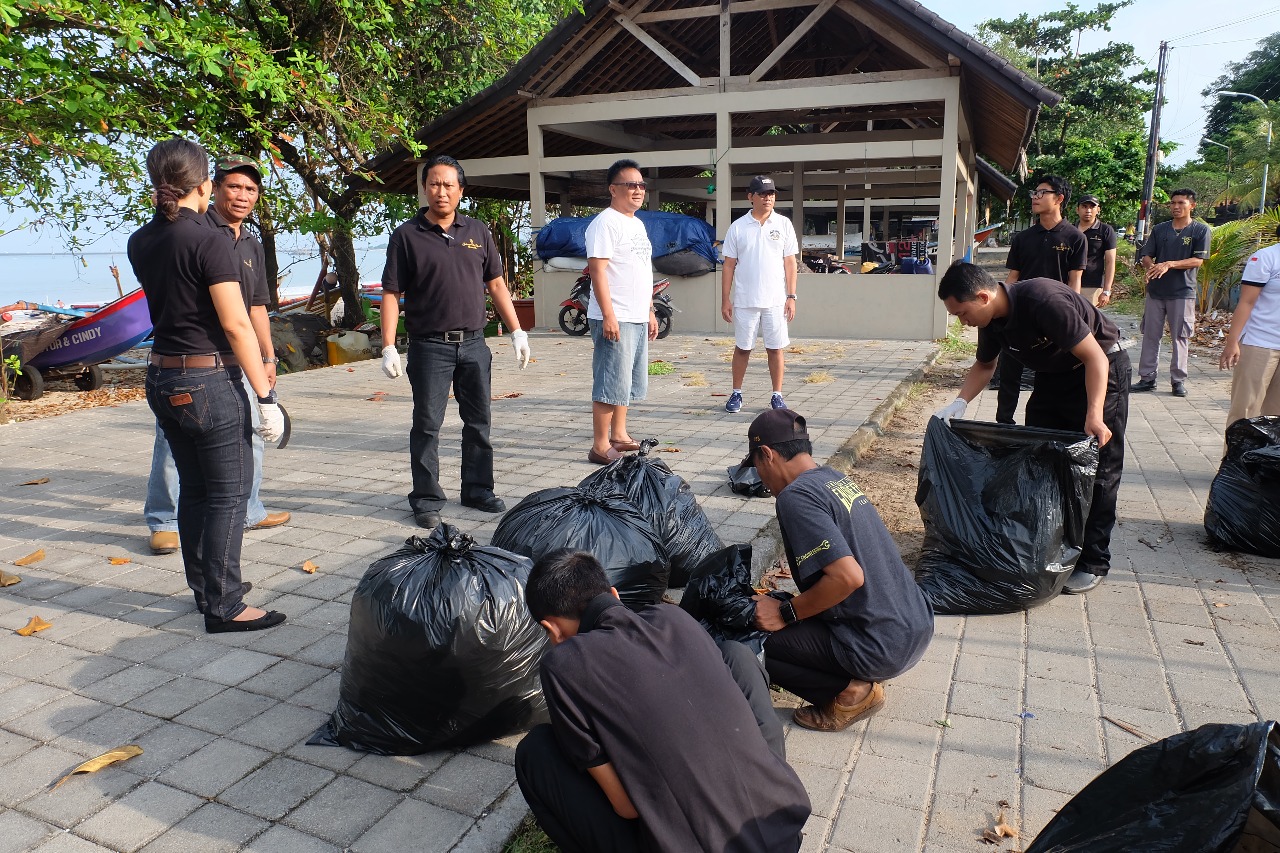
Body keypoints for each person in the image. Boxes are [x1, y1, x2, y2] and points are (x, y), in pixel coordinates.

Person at [514, 549, 811, 853]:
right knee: (736, 653)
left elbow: (627, 808)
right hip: (780, 831)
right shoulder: (673, 617)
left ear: (551, 629)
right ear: (613, 594)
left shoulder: (563, 666)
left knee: (535, 751)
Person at [128, 138, 285, 633]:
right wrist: (265, 396)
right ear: (205, 184)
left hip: (161, 375)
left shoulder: (143, 239)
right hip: (206, 379)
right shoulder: (208, 239)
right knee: (228, 494)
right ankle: (225, 604)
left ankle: (206, 588)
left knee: (196, 489)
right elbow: (236, 324)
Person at [934, 261, 1130, 595]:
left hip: (1101, 369)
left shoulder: (1041, 300)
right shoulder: (993, 318)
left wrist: (1094, 414)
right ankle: (1050, 546)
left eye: (962, 313)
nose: (962, 322)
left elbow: (1094, 357)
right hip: (1054, 377)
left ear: (982, 297)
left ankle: (1093, 561)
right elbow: (984, 364)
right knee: (1040, 459)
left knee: (1098, 467)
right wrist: (959, 402)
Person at [745, 409, 934, 732]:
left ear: (767, 454)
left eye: (757, 467)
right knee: (781, 608)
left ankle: (850, 693)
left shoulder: (795, 497)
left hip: (880, 646)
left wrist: (787, 613)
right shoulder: (832, 477)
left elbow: (848, 577)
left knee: (749, 638)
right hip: (913, 627)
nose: (760, 477)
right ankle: (857, 669)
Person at [379, 154, 531, 531]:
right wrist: (387, 345)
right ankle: (427, 498)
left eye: (449, 185)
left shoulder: (478, 232)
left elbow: (496, 284)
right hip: (429, 345)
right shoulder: (407, 235)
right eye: (434, 183)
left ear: (461, 191)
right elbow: (391, 292)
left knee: (479, 422)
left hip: (475, 344)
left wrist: (517, 331)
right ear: (425, 188)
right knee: (427, 425)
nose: (441, 191)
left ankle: (478, 490)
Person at [996, 175, 1087, 423]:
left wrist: (1074, 315)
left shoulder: (1075, 238)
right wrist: (998, 306)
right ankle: (1004, 424)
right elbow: (1013, 277)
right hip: (1022, 312)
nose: (1035, 198)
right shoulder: (1023, 238)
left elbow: (1074, 280)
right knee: (1009, 371)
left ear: (1059, 198)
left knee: (1053, 372)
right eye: (1034, 193)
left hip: (1055, 314)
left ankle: (1049, 425)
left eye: (1041, 193)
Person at [585, 159, 658, 464]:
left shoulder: (637, 223)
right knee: (610, 379)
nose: (637, 190)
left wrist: (650, 309)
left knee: (626, 380)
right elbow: (597, 272)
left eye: (641, 185)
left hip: (637, 314)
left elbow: (641, 270)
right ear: (613, 189)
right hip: (614, 315)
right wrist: (609, 315)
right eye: (631, 185)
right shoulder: (605, 223)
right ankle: (600, 445)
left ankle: (620, 434)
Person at [720, 175, 799, 413]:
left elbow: (790, 263)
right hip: (745, 300)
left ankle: (777, 395)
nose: (768, 198)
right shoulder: (738, 227)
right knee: (743, 347)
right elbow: (729, 265)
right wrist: (725, 299)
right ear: (750, 197)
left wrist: (791, 296)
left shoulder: (783, 224)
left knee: (775, 348)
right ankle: (736, 393)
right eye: (763, 194)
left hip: (776, 301)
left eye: (772, 194)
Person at [1135, 189, 1211, 397]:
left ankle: (1178, 380)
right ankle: (1147, 378)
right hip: (1156, 291)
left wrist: (1169, 264)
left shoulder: (1200, 231)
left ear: (1192, 206)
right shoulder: (1160, 230)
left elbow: (1198, 261)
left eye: (1181, 203)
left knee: (1180, 336)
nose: (1176, 207)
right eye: (1173, 203)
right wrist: (1152, 267)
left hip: (1182, 292)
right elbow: (1146, 255)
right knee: (1151, 335)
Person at [1220, 223, 1280, 431]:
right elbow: (1246, 302)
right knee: (1245, 411)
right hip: (1260, 343)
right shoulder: (1266, 257)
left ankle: (1266, 463)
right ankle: (1235, 463)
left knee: (1275, 416)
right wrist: (1232, 342)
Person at [1076, 193, 1118, 308]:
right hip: (1069, 282)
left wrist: (1106, 291)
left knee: (1088, 322)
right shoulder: (1070, 230)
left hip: (1092, 285)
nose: (1088, 210)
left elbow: (1110, 262)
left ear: (1098, 210)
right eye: (1084, 207)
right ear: (1077, 210)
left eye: (1092, 207)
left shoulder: (1105, 230)